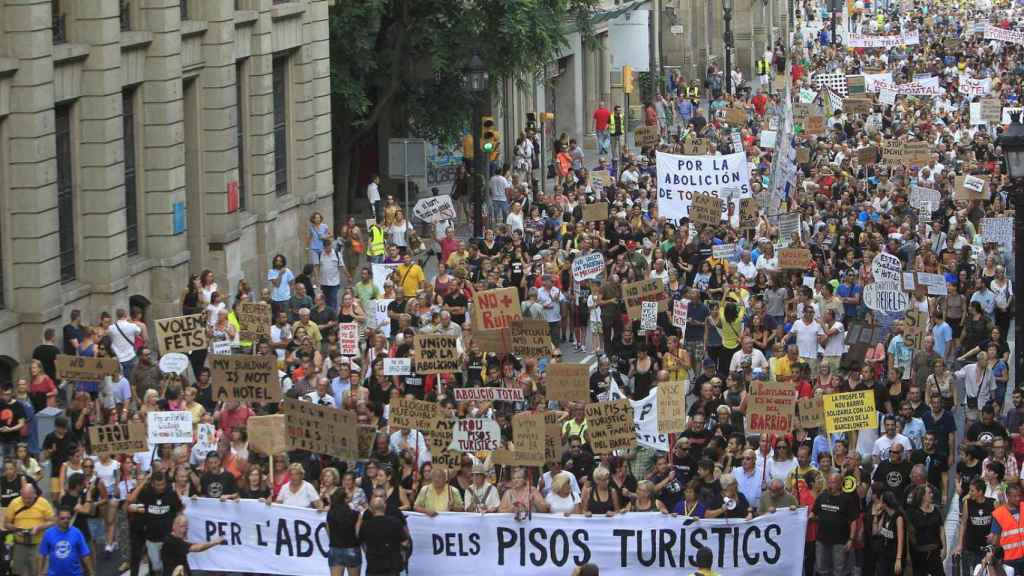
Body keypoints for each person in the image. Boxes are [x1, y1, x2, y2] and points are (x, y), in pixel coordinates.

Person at [1, 484, 54, 576]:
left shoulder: (43, 503)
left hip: (38, 543)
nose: (26, 501)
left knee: (37, 571)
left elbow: (52, 521)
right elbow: (6, 524)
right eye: (24, 498)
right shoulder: (14, 503)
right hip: (19, 544)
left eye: (29, 498)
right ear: (20, 494)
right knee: (17, 572)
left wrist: (39, 528)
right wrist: (16, 529)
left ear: (35, 494)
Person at [161, 514, 226, 576]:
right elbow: (197, 548)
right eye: (181, 526)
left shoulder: (173, 538)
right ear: (174, 526)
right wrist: (215, 542)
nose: (184, 530)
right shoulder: (173, 542)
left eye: (186, 527)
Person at [358, 496, 408, 576]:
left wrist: (367, 552)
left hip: (373, 566)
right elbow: (405, 543)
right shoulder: (395, 522)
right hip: (392, 566)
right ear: (385, 506)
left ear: (371, 509)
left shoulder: (365, 525)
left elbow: (362, 542)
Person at [37, 506, 92, 576]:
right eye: (62, 518)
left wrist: (91, 573)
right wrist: (39, 573)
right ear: (56, 519)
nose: (66, 520)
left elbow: (85, 555)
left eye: (68, 518)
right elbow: (42, 555)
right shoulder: (48, 533)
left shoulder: (76, 532)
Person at [327, 488, 362, 576]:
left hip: (335, 548)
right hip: (352, 548)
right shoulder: (356, 514)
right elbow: (358, 534)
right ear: (345, 498)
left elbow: (328, 531)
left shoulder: (330, 513)